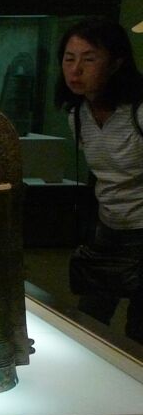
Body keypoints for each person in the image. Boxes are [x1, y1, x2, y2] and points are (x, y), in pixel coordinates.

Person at [58, 17, 143, 340]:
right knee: (90, 319)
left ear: (116, 63)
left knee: (139, 330)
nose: (76, 70)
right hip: (109, 229)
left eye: (89, 59)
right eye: (69, 58)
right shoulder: (78, 115)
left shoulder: (137, 112)